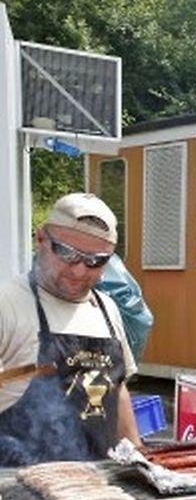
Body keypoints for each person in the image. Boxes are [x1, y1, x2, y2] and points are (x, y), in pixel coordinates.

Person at [0, 193, 140, 465]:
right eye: (67, 253)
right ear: (41, 240)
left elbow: (118, 388)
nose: (78, 271)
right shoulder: (7, 303)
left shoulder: (107, 309)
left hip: (98, 480)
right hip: (17, 480)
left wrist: (137, 451)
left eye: (95, 261)